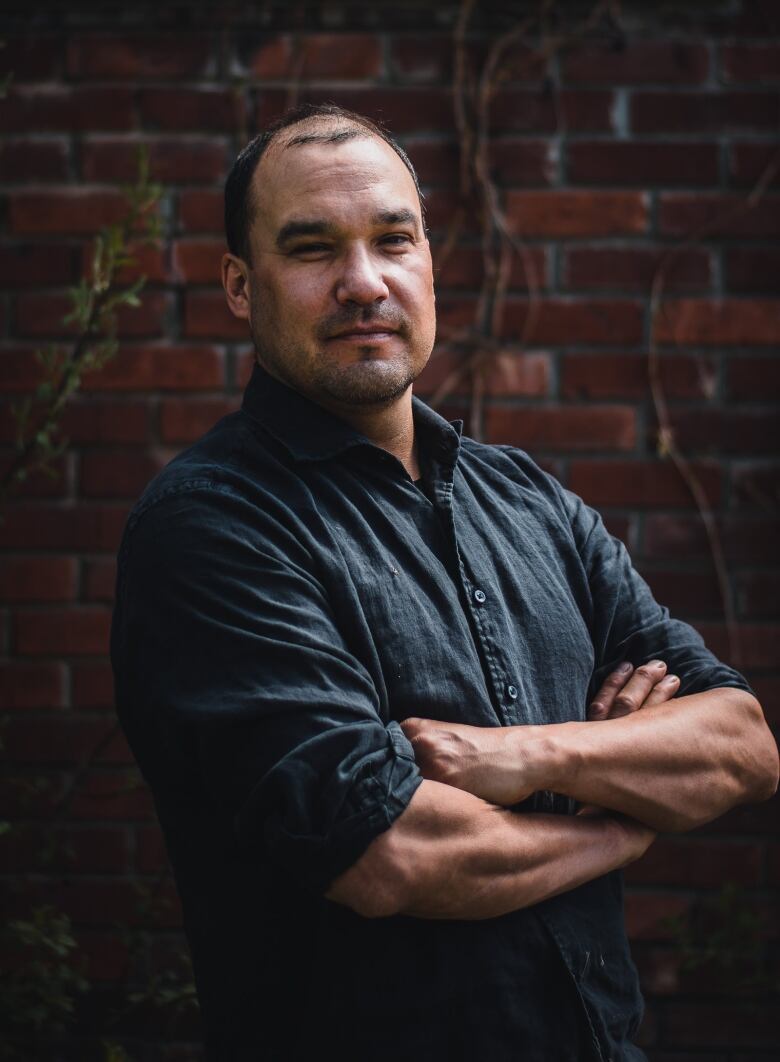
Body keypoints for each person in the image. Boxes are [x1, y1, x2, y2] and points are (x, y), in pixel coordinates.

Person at [111, 104, 778, 1062]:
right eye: (312, 249)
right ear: (240, 286)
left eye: (393, 239)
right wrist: (623, 825)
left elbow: (743, 744)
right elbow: (391, 855)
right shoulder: (213, 527)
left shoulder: (528, 499)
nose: (362, 282)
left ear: (429, 260)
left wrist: (539, 759)